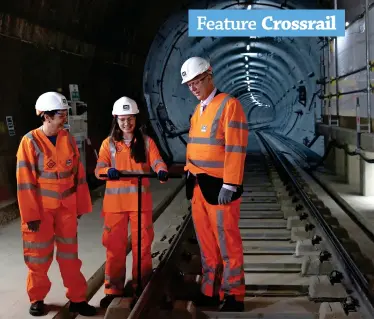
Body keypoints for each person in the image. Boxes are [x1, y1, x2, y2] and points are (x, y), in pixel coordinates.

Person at [16, 92, 97, 316]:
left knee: (70, 256)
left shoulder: (68, 138)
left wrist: (80, 206)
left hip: (67, 210)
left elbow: (78, 175)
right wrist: (30, 215)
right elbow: (25, 182)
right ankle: (37, 298)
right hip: (41, 211)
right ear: (46, 116)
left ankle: (78, 299)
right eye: (61, 114)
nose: (65, 118)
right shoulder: (29, 142)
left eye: (64, 113)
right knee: (38, 257)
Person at [181, 57, 249, 312]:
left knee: (227, 242)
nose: (193, 87)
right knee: (207, 243)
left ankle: (234, 295)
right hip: (198, 186)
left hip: (220, 187)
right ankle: (210, 291)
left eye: (197, 81)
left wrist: (230, 185)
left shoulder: (229, 105)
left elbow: (235, 148)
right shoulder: (199, 110)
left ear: (210, 75)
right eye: (189, 84)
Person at [95, 96, 169, 308]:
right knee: (114, 248)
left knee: (142, 247)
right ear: (115, 120)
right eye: (122, 119)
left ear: (136, 118)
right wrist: (107, 171)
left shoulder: (146, 142)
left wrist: (161, 170)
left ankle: (141, 285)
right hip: (115, 206)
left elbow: (156, 160)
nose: (126, 123)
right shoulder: (107, 144)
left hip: (139, 204)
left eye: (130, 119)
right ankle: (113, 289)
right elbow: (99, 168)